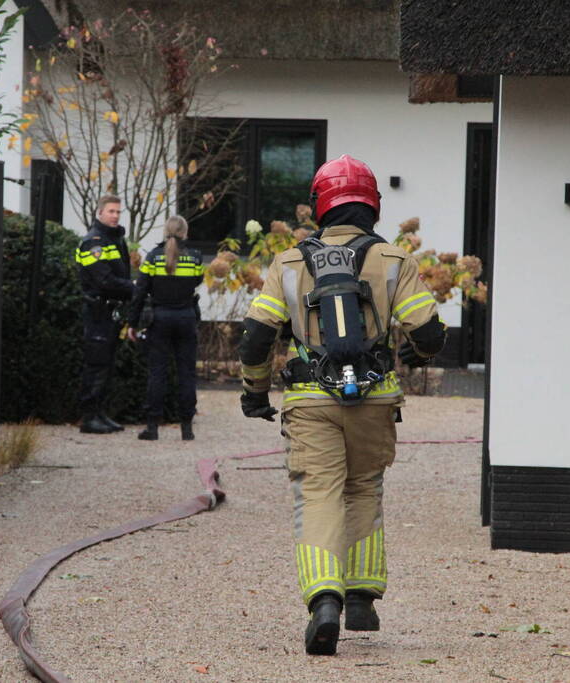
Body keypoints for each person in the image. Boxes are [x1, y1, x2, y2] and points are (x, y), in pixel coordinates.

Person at [238, 155, 446, 656]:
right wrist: (415, 354)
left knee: (319, 494)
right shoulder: (394, 260)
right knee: (363, 488)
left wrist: (254, 390)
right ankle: (361, 598)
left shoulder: (288, 263)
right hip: (374, 398)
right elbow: (430, 334)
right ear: (371, 204)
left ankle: (324, 600)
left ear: (319, 204)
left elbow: (255, 338)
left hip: (310, 401)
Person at [127, 216, 204, 441]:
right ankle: (187, 428)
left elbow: (139, 292)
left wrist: (132, 323)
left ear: (165, 232)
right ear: (185, 232)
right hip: (186, 319)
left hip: (158, 320)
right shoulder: (195, 257)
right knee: (187, 374)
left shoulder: (152, 257)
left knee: (157, 373)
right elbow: (196, 282)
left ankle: (152, 427)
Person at [75, 195, 134, 434]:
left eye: (118, 211)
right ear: (99, 213)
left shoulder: (113, 239)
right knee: (96, 364)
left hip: (110, 311)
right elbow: (104, 280)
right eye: (111, 211)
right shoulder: (94, 242)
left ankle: (100, 413)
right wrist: (134, 286)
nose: (115, 215)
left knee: (106, 365)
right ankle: (89, 417)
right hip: (98, 311)